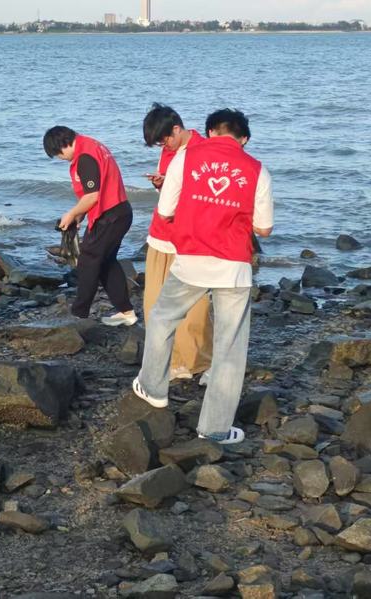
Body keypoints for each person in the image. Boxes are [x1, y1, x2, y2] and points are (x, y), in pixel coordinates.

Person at [132, 109, 274, 445]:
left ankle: (153, 388)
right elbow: (264, 229)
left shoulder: (185, 158)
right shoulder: (257, 169)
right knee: (230, 347)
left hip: (191, 260)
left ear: (210, 132)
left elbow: (165, 211)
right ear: (244, 139)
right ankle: (215, 428)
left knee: (162, 317)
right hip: (233, 267)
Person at [142, 103, 213, 382]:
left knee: (194, 306)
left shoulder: (203, 150)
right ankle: (167, 360)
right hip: (162, 234)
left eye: (164, 140)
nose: (164, 146)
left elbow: (206, 195)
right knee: (154, 302)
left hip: (192, 238)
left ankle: (198, 360)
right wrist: (161, 184)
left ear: (176, 129)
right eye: (160, 144)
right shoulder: (169, 150)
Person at [43, 126, 137, 326]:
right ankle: (127, 312)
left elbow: (93, 196)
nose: (61, 158)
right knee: (106, 262)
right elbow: (96, 192)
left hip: (110, 216)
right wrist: (80, 215)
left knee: (88, 260)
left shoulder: (84, 157)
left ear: (63, 145)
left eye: (58, 154)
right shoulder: (92, 145)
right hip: (119, 212)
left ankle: (79, 314)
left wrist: (71, 213)